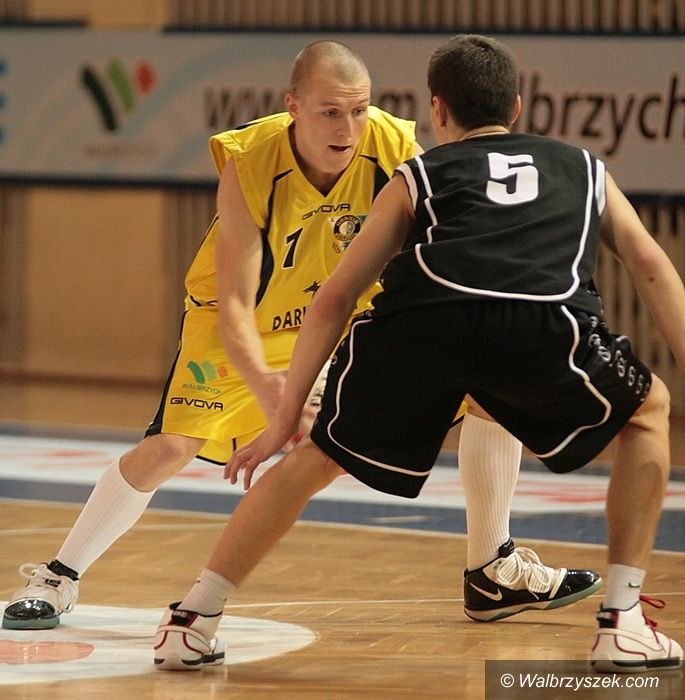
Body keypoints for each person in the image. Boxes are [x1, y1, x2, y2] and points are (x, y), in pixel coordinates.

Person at [3, 40, 597, 634]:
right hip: (245, 320)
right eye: (330, 112)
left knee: (490, 390)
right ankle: (58, 576)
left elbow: (443, 239)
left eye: (358, 110)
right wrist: (272, 394)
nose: (347, 128)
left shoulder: (394, 147)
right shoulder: (251, 161)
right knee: (170, 449)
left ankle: (492, 569)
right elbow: (235, 304)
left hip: (334, 315)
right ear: (293, 107)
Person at [152, 34, 684, 674]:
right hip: (538, 322)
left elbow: (335, 298)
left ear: (437, 110)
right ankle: (622, 622)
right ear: (517, 107)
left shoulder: (418, 173)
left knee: (317, 457)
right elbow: (650, 265)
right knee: (648, 411)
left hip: (420, 325)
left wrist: (283, 417)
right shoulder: (583, 167)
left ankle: (194, 617)